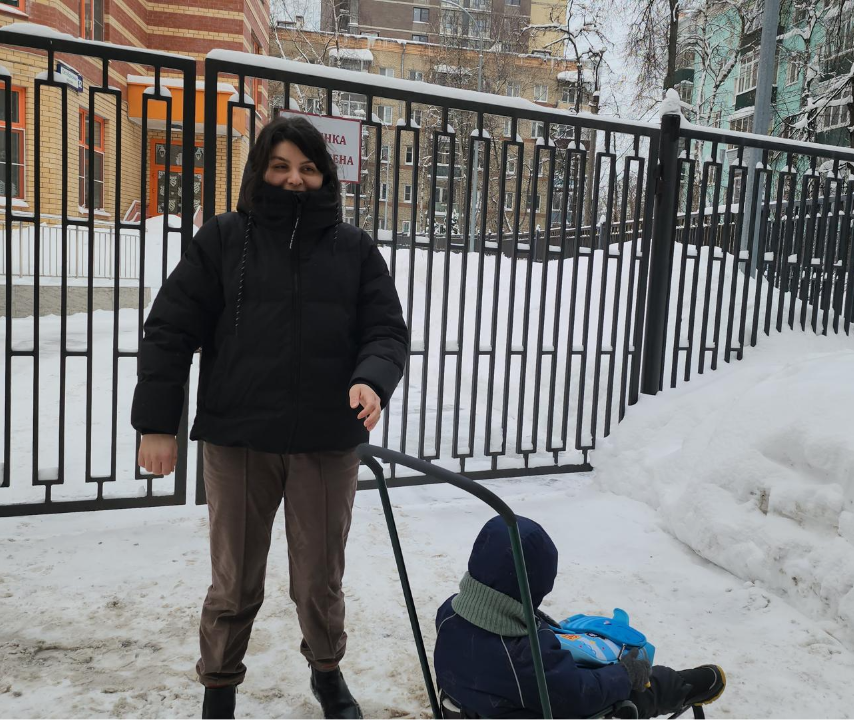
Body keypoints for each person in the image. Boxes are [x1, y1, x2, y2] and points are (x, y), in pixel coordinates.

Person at [131, 115, 409, 720]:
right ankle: (219, 688)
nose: (294, 180)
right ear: (260, 170)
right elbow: (171, 327)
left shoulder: (354, 249)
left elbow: (386, 330)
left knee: (318, 580)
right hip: (239, 439)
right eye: (280, 166)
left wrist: (372, 379)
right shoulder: (224, 239)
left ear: (325, 174)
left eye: (307, 168)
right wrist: (157, 424)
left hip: (325, 441)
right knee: (233, 581)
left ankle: (328, 672)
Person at [434, 516, 726, 720]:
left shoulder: (450, 613)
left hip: (478, 705)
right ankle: (683, 686)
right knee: (643, 685)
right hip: (540, 708)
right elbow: (582, 694)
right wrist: (625, 673)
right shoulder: (524, 659)